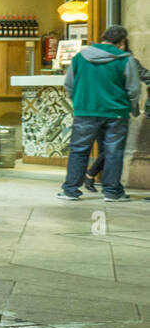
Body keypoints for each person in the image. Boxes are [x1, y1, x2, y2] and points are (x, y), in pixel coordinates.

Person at [58, 25, 140, 201]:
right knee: (114, 151)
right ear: (122, 42)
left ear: (103, 37)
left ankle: (70, 190)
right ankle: (112, 192)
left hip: (85, 111)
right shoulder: (126, 60)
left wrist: (79, 102)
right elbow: (133, 89)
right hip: (116, 113)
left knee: (79, 150)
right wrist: (133, 108)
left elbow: (69, 84)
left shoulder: (80, 57)